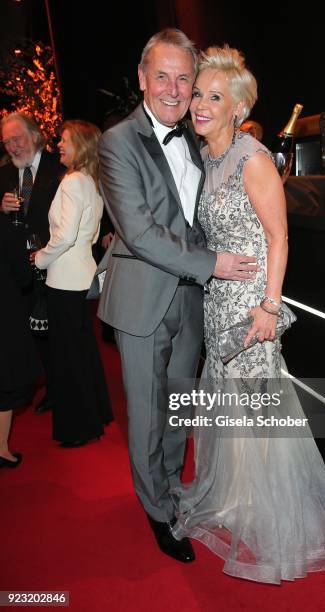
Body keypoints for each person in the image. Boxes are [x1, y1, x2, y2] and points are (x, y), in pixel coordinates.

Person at [171, 45, 325, 584]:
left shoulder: (252, 158)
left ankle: (269, 515)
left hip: (252, 309)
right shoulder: (208, 156)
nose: (200, 105)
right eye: (198, 94)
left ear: (237, 106)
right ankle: (234, 499)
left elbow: (280, 236)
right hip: (217, 301)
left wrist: (271, 307)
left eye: (214, 97)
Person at [97, 28, 258, 564]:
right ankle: (157, 510)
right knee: (146, 413)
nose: (172, 88)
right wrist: (215, 264)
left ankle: (170, 486)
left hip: (194, 302)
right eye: (161, 76)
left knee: (179, 408)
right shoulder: (118, 141)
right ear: (142, 79)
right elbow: (140, 233)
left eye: (183, 78)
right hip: (143, 300)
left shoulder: (196, 137)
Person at [35, 120, 113, 448]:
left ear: (80, 144)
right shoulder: (93, 182)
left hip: (64, 278)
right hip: (82, 274)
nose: (58, 146)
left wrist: (39, 258)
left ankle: (78, 427)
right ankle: (96, 414)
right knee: (82, 350)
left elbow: (64, 236)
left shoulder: (71, 182)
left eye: (64, 141)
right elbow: (92, 235)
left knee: (67, 355)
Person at [0, 112, 64, 414]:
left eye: (17, 139)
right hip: (18, 267)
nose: (12, 147)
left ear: (35, 135)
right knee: (30, 329)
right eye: (7, 142)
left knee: (57, 332)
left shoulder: (60, 166)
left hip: (54, 261)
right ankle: (43, 383)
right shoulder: (4, 173)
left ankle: (61, 387)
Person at [0, 215, 40, 468]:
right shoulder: (7, 228)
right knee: (5, 384)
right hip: (5, 312)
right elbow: (24, 276)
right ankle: (1, 450)